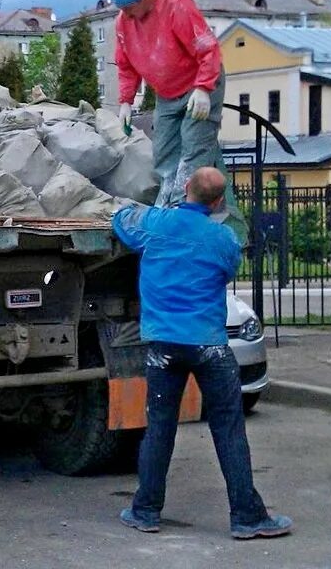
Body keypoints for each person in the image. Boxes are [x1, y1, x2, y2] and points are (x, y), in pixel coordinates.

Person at [112, 166, 292, 540]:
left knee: (159, 428)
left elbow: (121, 222)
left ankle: (145, 511)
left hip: (163, 346)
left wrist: (125, 212)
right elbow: (226, 272)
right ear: (219, 201)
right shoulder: (223, 238)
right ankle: (247, 517)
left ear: (185, 191)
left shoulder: (156, 223)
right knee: (228, 428)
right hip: (209, 346)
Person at [112, 0, 246, 242]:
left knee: (192, 151)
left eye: (129, 7)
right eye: (122, 8)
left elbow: (208, 48)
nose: (125, 14)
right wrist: (125, 101)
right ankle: (176, 206)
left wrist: (204, 88)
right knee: (164, 153)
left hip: (199, 84)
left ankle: (175, 215)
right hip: (167, 92)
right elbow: (126, 64)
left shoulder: (176, 6)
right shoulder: (124, 22)